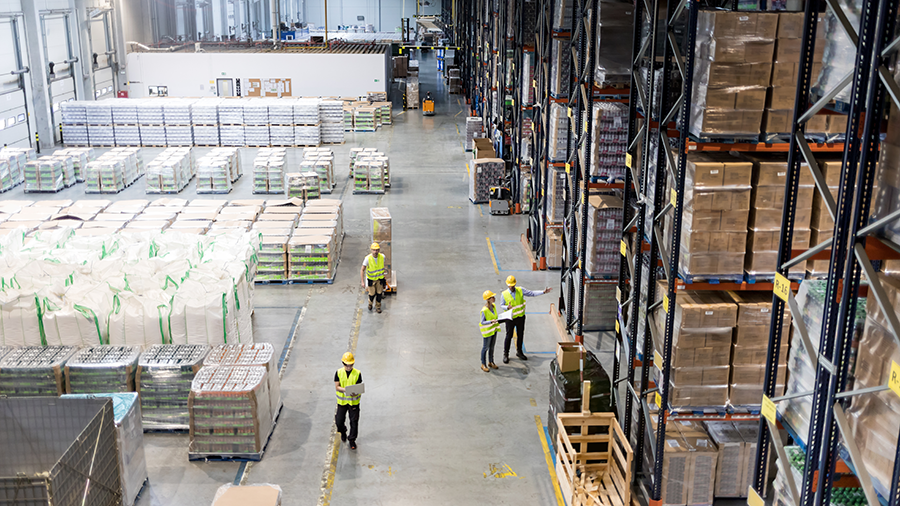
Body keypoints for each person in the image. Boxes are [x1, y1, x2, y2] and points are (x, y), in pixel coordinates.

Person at [500, 275, 552, 363]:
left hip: (520, 317)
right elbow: (501, 305)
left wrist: (543, 292)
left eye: (512, 285)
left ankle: (519, 352)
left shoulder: (520, 290)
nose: (511, 287)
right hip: (510, 318)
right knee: (509, 336)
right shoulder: (504, 294)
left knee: (520, 335)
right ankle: (506, 354)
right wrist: (506, 307)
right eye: (510, 285)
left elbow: (531, 293)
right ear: (507, 285)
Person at [334, 352, 362, 450]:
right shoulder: (338, 372)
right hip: (342, 403)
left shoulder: (357, 373)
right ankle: (343, 431)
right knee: (339, 421)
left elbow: (359, 388)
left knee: (354, 422)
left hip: (353, 402)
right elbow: (337, 387)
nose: (348, 367)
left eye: (350, 365)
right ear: (343, 363)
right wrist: (346, 390)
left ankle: (352, 440)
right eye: (347, 365)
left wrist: (356, 393)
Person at [360, 242, 387, 313]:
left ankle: (378, 307)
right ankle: (370, 304)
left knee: (379, 294)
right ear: (371, 250)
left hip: (380, 279)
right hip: (371, 280)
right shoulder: (367, 259)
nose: (376, 251)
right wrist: (362, 282)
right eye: (374, 250)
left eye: (377, 250)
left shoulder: (382, 257)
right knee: (372, 294)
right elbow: (362, 270)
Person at [479, 290, 500, 372]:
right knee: (485, 348)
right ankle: (483, 364)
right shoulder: (484, 310)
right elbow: (482, 322)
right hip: (487, 332)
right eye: (492, 297)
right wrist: (491, 321)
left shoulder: (493, 306)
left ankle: (491, 362)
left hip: (494, 330)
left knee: (492, 347)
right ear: (488, 299)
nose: (494, 298)